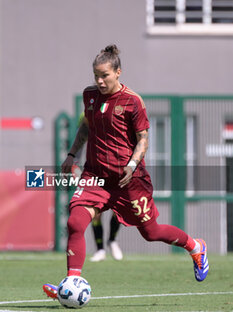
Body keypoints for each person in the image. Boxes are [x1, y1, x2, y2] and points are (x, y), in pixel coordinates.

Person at [43, 44, 209, 299]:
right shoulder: (89, 96)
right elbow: (86, 128)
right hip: (95, 177)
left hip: (129, 180)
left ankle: (195, 246)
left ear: (118, 72)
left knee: (151, 233)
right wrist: (71, 154)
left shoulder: (132, 101)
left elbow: (143, 140)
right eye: (96, 75)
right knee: (75, 221)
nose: (99, 81)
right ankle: (71, 283)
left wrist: (131, 165)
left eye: (105, 75)